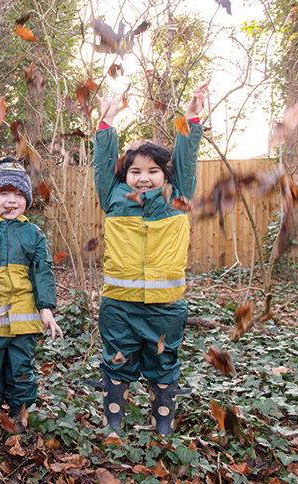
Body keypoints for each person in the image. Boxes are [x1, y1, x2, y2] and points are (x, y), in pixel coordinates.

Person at [88, 80, 210, 435]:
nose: (143, 178)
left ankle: (163, 427)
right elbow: (101, 164)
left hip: (165, 307)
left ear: (165, 175)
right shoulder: (114, 197)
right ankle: (113, 424)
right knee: (116, 365)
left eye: (153, 171)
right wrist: (107, 123)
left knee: (163, 366)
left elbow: (186, 159)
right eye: (135, 171)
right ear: (124, 177)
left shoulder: (178, 196)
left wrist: (191, 120)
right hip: (119, 306)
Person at [0, 156, 63, 437]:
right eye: (4, 193)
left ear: (27, 200)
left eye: (18, 194)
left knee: (22, 370)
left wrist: (46, 308)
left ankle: (20, 413)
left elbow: (42, 271)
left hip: (24, 321)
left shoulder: (34, 233)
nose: (11, 200)